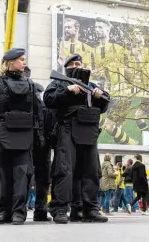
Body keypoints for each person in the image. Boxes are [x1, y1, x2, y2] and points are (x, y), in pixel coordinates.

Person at [0, 48, 44, 225]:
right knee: (3, 175)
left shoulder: (30, 84)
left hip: (24, 135)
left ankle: (18, 213)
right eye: (21, 59)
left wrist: (40, 135)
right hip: (2, 133)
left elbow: (38, 112)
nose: (24, 62)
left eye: (25, 59)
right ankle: (3, 212)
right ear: (10, 62)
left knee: (22, 176)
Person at [44, 53, 110, 224]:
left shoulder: (91, 85)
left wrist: (99, 96)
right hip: (67, 129)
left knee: (92, 171)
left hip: (89, 132)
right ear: (67, 68)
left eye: (78, 63)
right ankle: (59, 209)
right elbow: (48, 99)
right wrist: (67, 91)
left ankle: (89, 209)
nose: (76, 66)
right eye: (72, 64)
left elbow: (105, 104)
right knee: (64, 171)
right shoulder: (59, 82)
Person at [24, 68, 54, 222]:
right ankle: (40, 211)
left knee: (31, 179)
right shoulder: (43, 108)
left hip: (36, 148)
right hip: (41, 149)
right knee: (40, 180)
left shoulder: (36, 108)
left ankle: (32, 210)